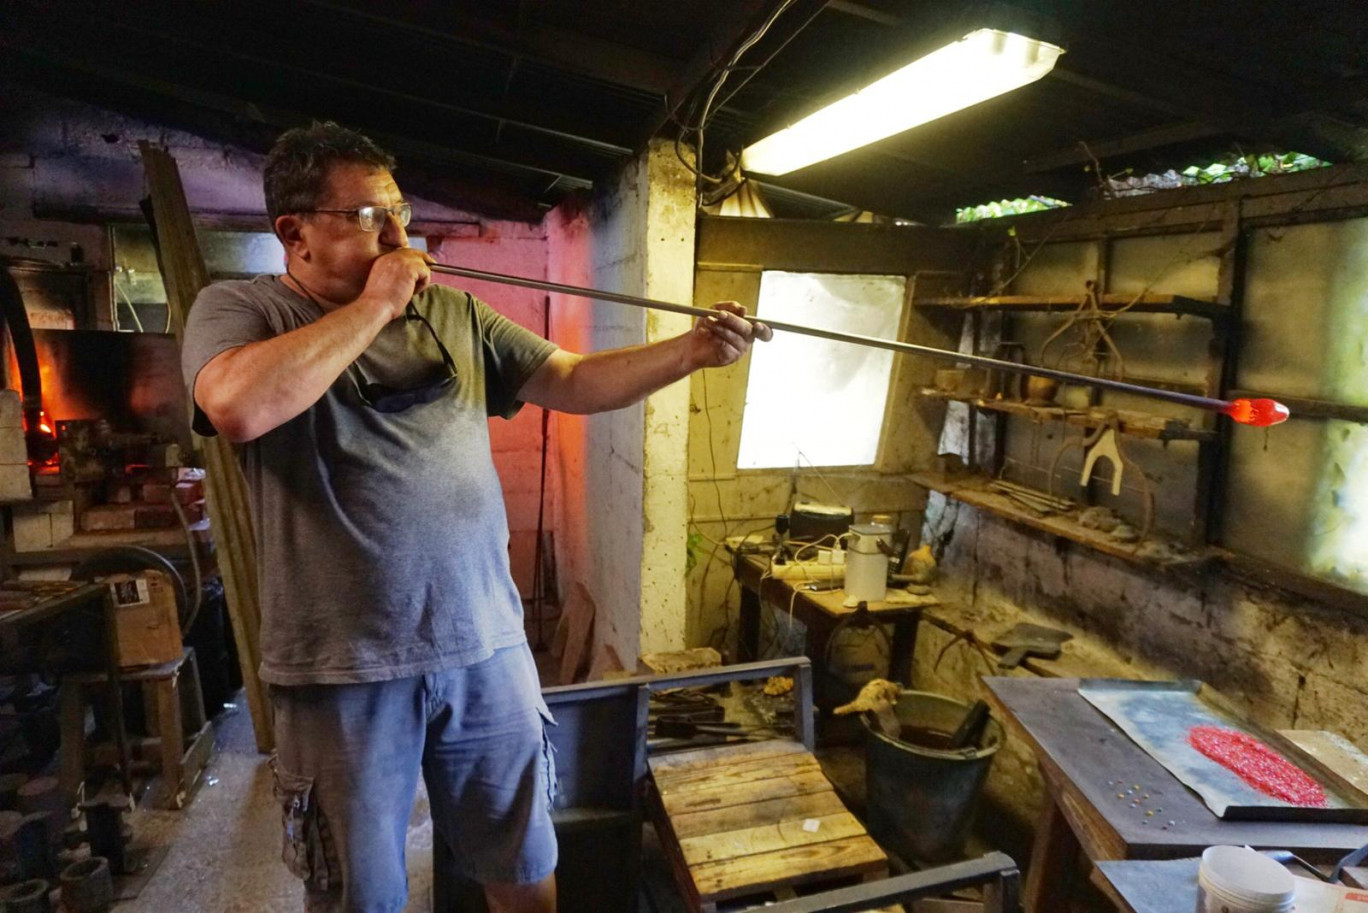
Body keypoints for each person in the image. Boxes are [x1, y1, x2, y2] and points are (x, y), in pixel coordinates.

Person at [180, 121, 770, 913]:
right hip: (340, 667)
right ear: (295, 232)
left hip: (482, 645)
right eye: (367, 218)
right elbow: (237, 406)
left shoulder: (456, 313)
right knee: (366, 893)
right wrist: (379, 303)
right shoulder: (244, 310)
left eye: (401, 214)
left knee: (523, 864)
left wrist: (692, 350)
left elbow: (572, 378)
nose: (398, 236)